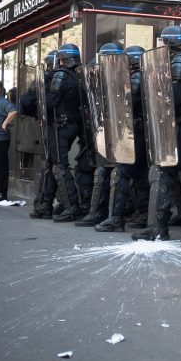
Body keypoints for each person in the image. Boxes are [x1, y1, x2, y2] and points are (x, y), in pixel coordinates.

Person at [134, 26, 181, 241]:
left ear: (169, 43)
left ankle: (158, 228)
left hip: (179, 126)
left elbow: (175, 97)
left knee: (162, 174)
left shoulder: (178, 62)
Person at [96, 45, 150, 232]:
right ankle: (143, 213)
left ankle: (116, 218)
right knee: (141, 175)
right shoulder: (148, 76)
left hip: (134, 132)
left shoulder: (135, 78)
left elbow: (127, 102)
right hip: (143, 133)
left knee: (122, 174)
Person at [77, 44, 123, 228]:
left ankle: (109, 215)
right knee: (101, 171)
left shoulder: (122, 78)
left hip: (122, 134)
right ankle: (97, 212)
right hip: (104, 131)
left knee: (115, 174)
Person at [47, 43, 84, 223]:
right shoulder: (80, 74)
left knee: (60, 166)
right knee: (56, 164)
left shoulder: (61, 75)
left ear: (61, 58)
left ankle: (71, 207)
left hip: (61, 124)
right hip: (74, 124)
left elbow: (51, 101)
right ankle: (48, 203)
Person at [27, 51, 59, 219]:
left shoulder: (51, 78)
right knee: (52, 166)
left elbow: (27, 102)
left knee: (53, 167)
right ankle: (45, 203)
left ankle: (46, 204)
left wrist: (37, 113)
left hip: (55, 125)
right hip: (54, 125)